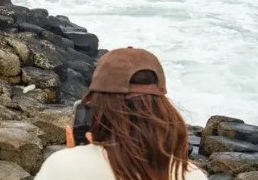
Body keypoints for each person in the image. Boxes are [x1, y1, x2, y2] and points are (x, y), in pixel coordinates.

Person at [35, 47, 209, 180]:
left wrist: (75, 157)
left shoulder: (62, 167)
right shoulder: (191, 175)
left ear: (94, 110)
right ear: (163, 110)